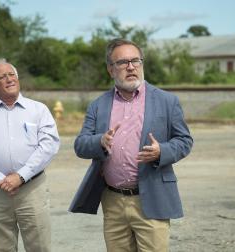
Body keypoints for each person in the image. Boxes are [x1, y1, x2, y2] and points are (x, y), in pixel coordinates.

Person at [69, 38, 193, 251]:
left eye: (136, 61)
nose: (131, 67)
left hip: (152, 197)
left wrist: (161, 151)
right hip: (113, 200)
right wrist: (99, 141)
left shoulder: (166, 101)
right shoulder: (98, 105)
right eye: (122, 62)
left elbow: (184, 141)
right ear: (110, 69)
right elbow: (80, 145)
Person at [0, 58, 60, 252]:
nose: (9, 79)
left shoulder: (38, 110)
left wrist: (21, 176)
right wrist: (0, 179)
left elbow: (48, 146)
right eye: (2, 77)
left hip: (32, 189)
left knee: (39, 246)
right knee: (0, 247)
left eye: (12, 75)